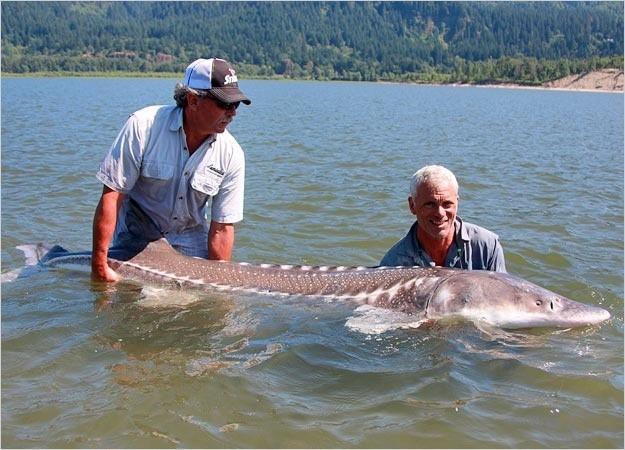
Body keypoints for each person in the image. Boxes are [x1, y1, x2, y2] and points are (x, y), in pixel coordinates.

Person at [91, 57, 251, 282]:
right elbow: (112, 195)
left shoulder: (232, 153)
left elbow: (222, 229)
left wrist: (218, 289)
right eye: (225, 104)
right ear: (193, 100)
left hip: (191, 242)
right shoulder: (143, 127)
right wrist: (99, 264)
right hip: (137, 239)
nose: (232, 113)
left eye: (235, 104)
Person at [380, 165, 506, 272]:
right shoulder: (393, 264)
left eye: (447, 204)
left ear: (457, 203)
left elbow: (504, 298)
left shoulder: (487, 247)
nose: (440, 213)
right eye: (430, 204)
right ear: (412, 205)